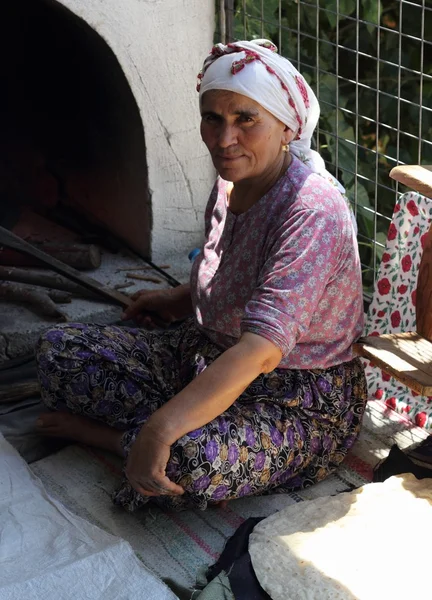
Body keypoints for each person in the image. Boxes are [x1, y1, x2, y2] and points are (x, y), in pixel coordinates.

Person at [35, 39, 366, 511]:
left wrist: (161, 427)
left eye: (246, 119)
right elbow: (235, 267)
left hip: (295, 396)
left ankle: (114, 439)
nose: (224, 138)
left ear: (287, 126)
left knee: (188, 458)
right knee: (59, 353)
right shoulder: (233, 180)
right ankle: (160, 432)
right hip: (206, 354)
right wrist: (178, 298)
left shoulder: (311, 210)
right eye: (213, 118)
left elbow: (260, 351)